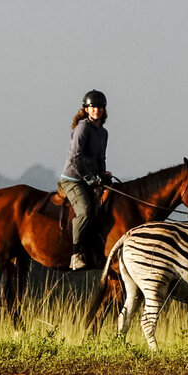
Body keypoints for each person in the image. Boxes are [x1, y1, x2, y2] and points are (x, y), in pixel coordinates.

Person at [60, 90, 113, 270]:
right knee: (85, 211)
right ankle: (76, 255)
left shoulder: (103, 133)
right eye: (92, 107)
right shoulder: (82, 128)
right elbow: (76, 157)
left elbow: (101, 159)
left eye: (99, 107)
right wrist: (91, 178)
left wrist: (103, 175)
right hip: (73, 178)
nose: (96, 110)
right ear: (86, 109)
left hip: (91, 178)